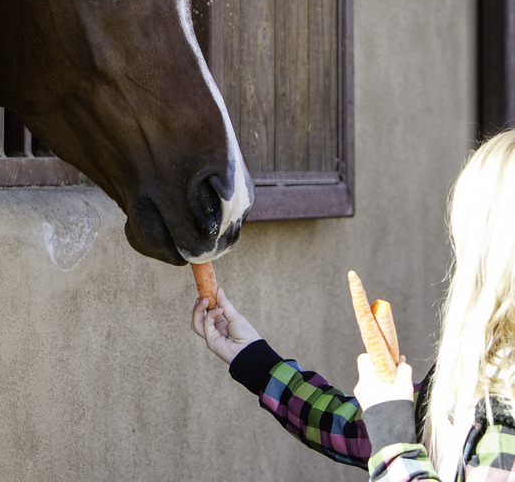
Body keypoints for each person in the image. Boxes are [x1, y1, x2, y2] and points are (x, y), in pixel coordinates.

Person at [191, 128, 515, 481]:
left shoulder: (504, 410)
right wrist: (256, 359)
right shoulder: (486, 368)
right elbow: (359, 433)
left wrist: (392, 435)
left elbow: (391, 443)